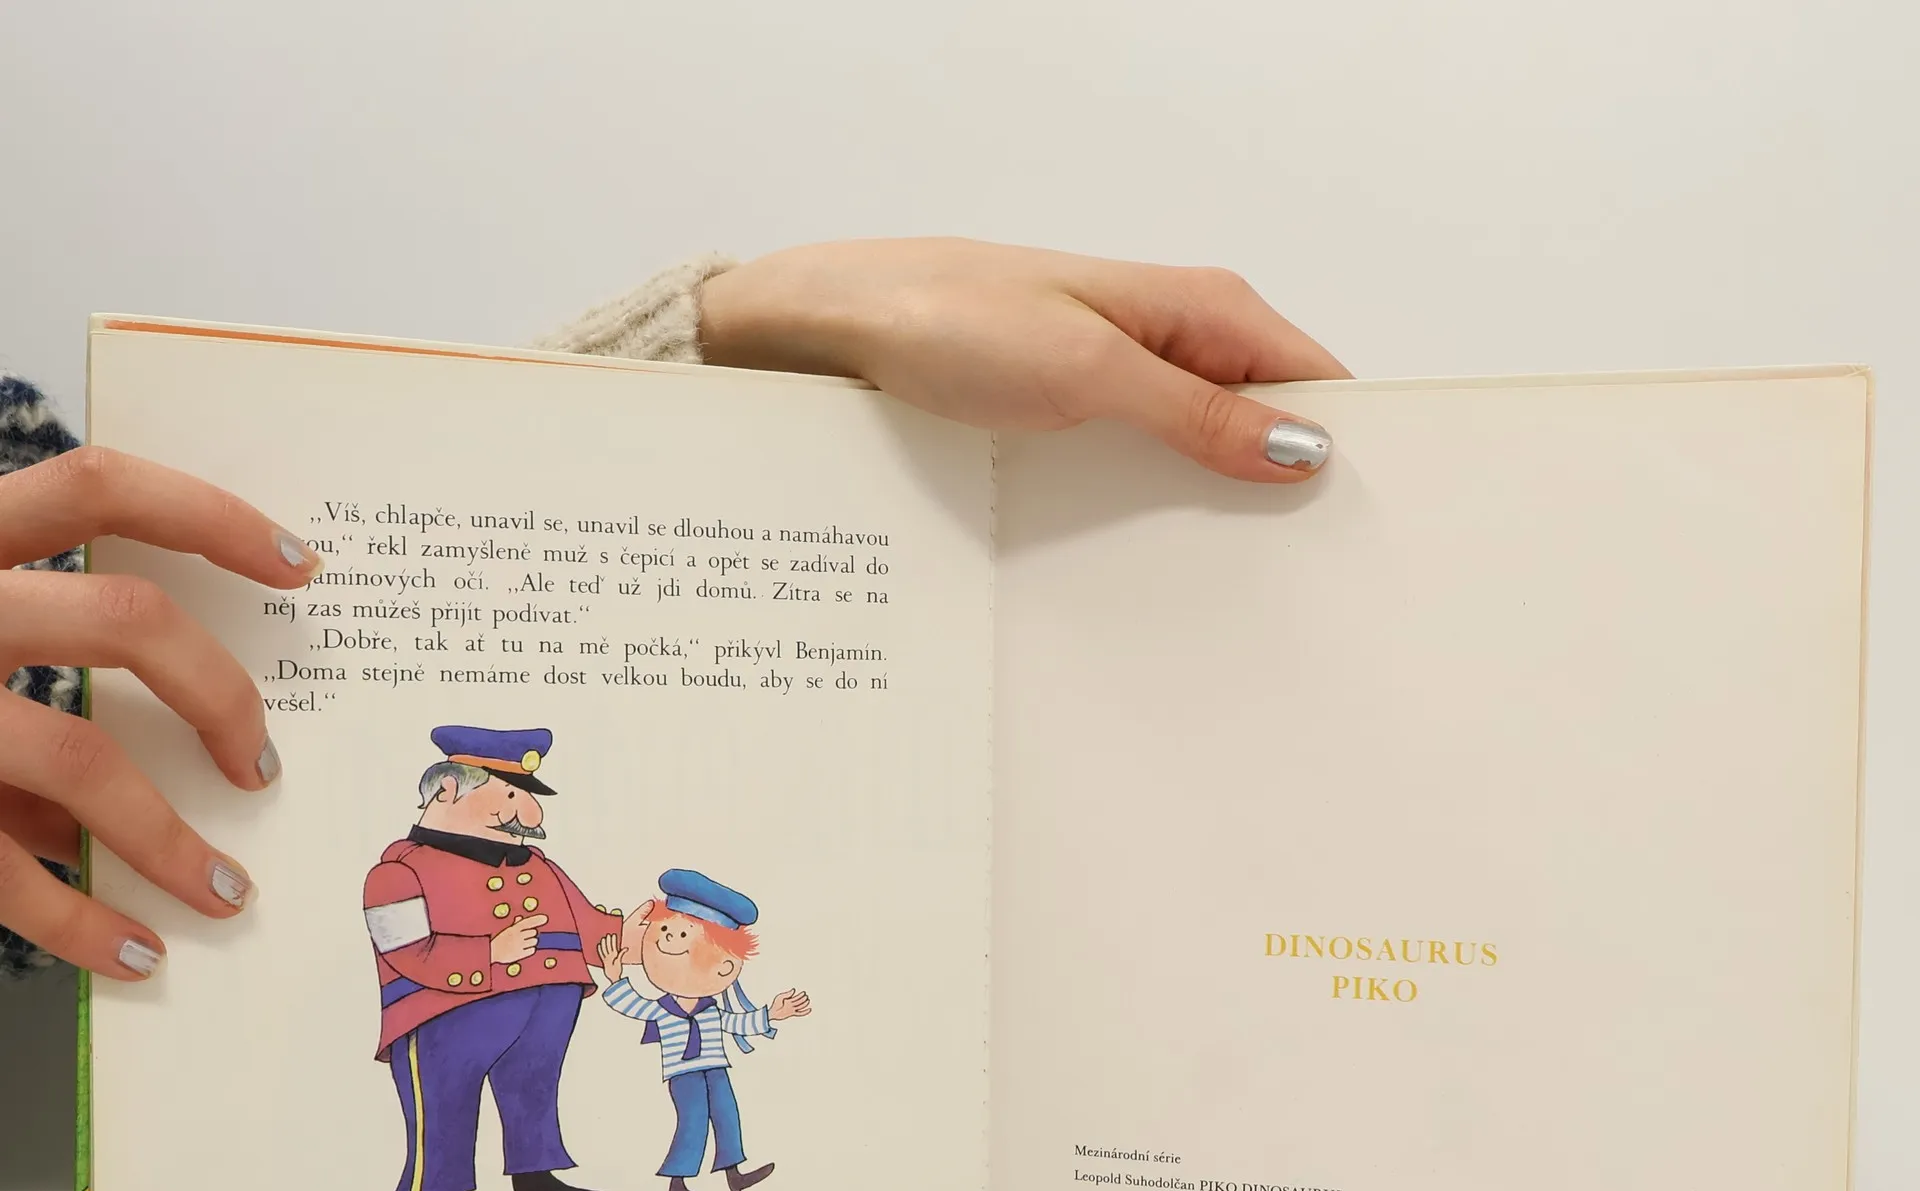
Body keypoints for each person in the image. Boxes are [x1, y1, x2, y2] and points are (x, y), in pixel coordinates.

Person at [0, 240, 1346, 980]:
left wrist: (765, 320)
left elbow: (280, 602)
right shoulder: (416, 871)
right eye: (502, 796)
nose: (515, 812)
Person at [363, 725, 626, 1191]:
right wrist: (489, 953)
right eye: (508, 794)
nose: (528, 813)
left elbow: (590, 923)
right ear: (447, 790)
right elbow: (405, 951)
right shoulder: (397, 872)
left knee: (534, 1089)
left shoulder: (538, 864)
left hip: (546, 1000)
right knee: (443, 1101)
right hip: (446, 1011)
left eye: (525, 795)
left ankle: (536, 1171)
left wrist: (642, 938)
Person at [596, 873, 812, 1191]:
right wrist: (615, 979)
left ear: (725, 966)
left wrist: (772, 1014)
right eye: (665, 932)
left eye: (682, 935)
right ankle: (678, 1181)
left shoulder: (711, 1009)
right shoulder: (663, 1009)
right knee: (694, 1121)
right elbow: (633, 1006)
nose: (669, 939)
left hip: (715, 1068)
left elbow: (736, 1022)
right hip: (683, 1074)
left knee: (727, 1115)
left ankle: (734, 1174)